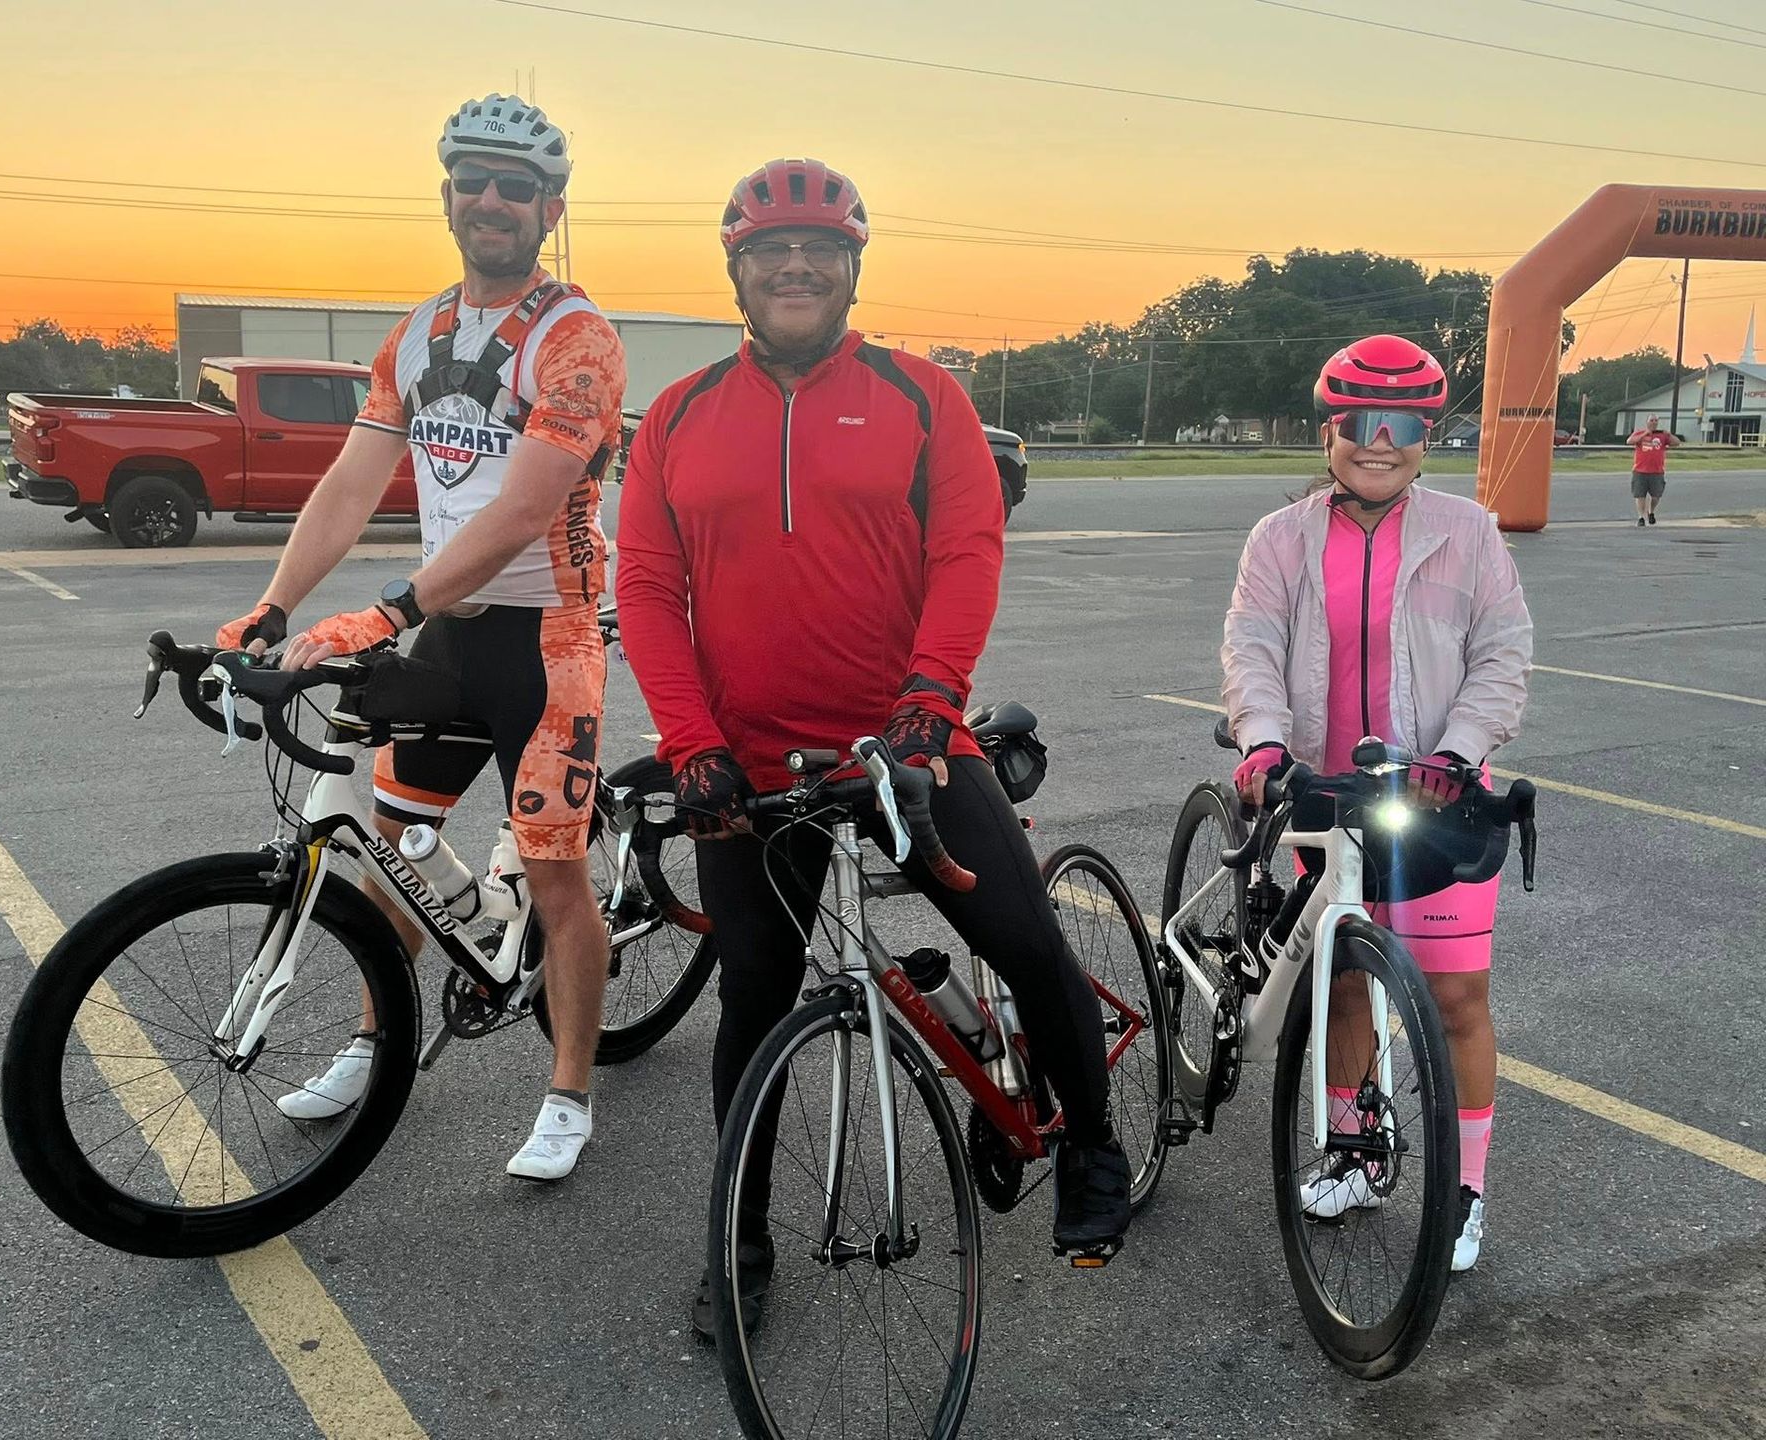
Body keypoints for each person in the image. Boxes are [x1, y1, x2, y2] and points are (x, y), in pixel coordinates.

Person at [615, 158, 1135, 1336]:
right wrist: (693, 744)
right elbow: (647, 588)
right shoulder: (682, 418)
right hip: (748, 768)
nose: (795, 266)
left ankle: (1095, 1147)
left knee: (1027, 941)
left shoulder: (921, 396)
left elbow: (966, 552)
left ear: (853, 266)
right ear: (737, 269)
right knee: (750, 1003)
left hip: (908, 744)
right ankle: (739, 1245)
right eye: (770, 250)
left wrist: (927, 698)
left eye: (821, 249)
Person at [213, 95, 626, 1181]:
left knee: (552, 871)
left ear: (549, 207)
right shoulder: (422, 332)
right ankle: (374, 1037)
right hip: (449, 633)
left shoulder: (576, 339)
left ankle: (571, 1087)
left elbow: (522, 511)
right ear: (447, 193)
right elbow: (352, 480)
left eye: (517, 186)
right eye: (474, 180)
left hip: (550, 635)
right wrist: (277, 603)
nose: (493, 200)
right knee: (392, 852)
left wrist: (387, 611)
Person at [1221, 334, 1533, 1273]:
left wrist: (1457, 751)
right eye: (1361, 423)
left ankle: (1466, 1190)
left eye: (1402, 426)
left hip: (1435, 797)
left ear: (1424, 437)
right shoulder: (1280, 539)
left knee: (1455, 996)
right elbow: (1252, 648)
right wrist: (1264, 740)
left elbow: (1503, 653)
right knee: (1342, 981)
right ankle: (1356, 1152)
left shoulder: (1468, 531)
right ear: (1331, 431)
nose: (1380, 442)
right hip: (1325, 793)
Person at [1628, 414, 1678, 526]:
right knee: (1640, 495)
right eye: (1651, 420)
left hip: (1657, 471)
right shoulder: (1640, 433)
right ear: (1647, 422)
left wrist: (1669, 434)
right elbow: (1630, 441)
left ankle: (1651, 512)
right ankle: (1641, 517)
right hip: (1640, 470)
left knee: (1656, 496)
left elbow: (1676, 442)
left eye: (1656, 420)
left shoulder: (1662, 436)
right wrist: (1644, 434)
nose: (1654, 422)